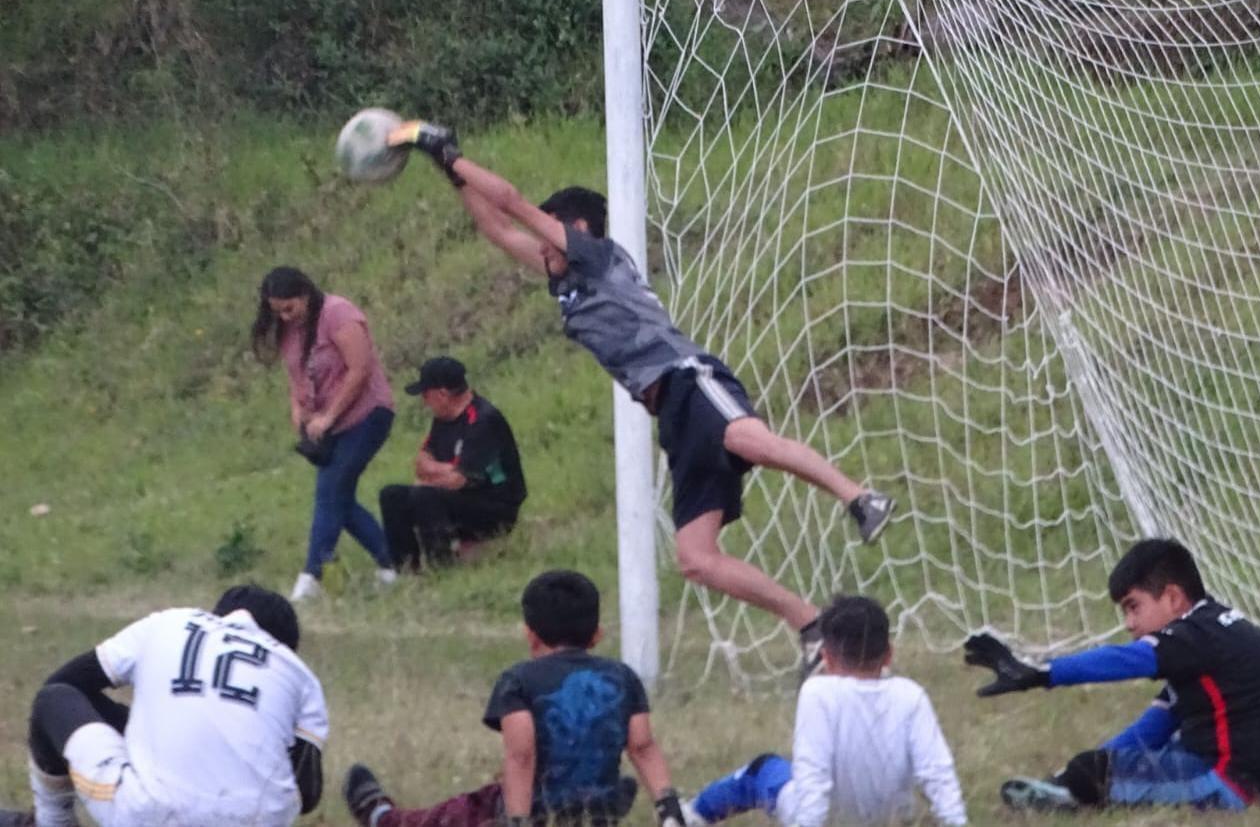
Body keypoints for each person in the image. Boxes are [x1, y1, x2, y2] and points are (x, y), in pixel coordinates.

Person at [386, 121, 896, 677]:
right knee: (696, 560)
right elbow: (496, 228)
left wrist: (446, 149)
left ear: (574, 228)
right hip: (668, 413)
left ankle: (860, 497)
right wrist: (451, 175)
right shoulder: (567, 279)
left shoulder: (598, 256)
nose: (537, 248)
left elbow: (509, 201)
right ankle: (807, 623)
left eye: (548, 234)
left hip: (686, 377)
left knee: (747, 437)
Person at [962, 538, 1260, 813]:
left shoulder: (1194, 636)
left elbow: (1128, 659)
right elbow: (1152, 729)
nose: (1129, 623)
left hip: (1235, 787)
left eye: (1133, 606)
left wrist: (1043, 672)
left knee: (1093, 774)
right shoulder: (1210, 636)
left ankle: (1064, 799)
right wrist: (1076, 772)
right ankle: (1064, 787)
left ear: (1173, 597)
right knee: (1113, 761)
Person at [342, 570, 688, 827]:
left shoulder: (519, 680)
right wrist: (667, 805)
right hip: (600, 810)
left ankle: (384, 819)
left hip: (535, 807)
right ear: (597, 635)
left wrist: (518, 819)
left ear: (530, 635)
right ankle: (604, 801)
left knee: (470, 808)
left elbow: (522, 754)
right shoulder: (623, 678)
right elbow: (642, 745)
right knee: (606, 787)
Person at [14, 585, 326, 827]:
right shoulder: (300, 675)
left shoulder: (172, 623)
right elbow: (307, 793)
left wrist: (144, 732)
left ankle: (52, 821)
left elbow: (66, 683)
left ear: (217, 615)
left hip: (150, 815)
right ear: (286, 647)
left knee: (54, 699)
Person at [682, 595, 967, 827]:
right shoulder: (911, 695)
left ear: (826, 657)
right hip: (894, 819)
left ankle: (689, 815)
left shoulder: (818, 693)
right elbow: (938, 773)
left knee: (762, 771)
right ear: (889, 654)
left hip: (828, 819)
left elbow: (813, 774)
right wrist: (956, 821)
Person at [253, 266, 398, 601]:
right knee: (339, 499)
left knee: (330, 491)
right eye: (277, 311)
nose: (285, 317)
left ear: (305, 295)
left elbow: (360, 369)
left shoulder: (338, 314)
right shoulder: (289, 330)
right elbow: (296, 375)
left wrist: (330, 415)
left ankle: (311, 576)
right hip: (326, 425)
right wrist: (298, 410)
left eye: (289, 308)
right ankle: (390, 564)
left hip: (367, 414)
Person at [379, 356, 527, 570]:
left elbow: (459, 480)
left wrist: (435, 475)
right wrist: (444, 471)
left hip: (494, 506)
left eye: (426, 395)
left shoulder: (483, 420)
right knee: (391, 495)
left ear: (442, 394)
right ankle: (405, 568)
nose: (424, 402)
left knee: (424, 495)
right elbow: (421, 462)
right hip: (459, 497)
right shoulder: (443, 419)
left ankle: (442, 565)